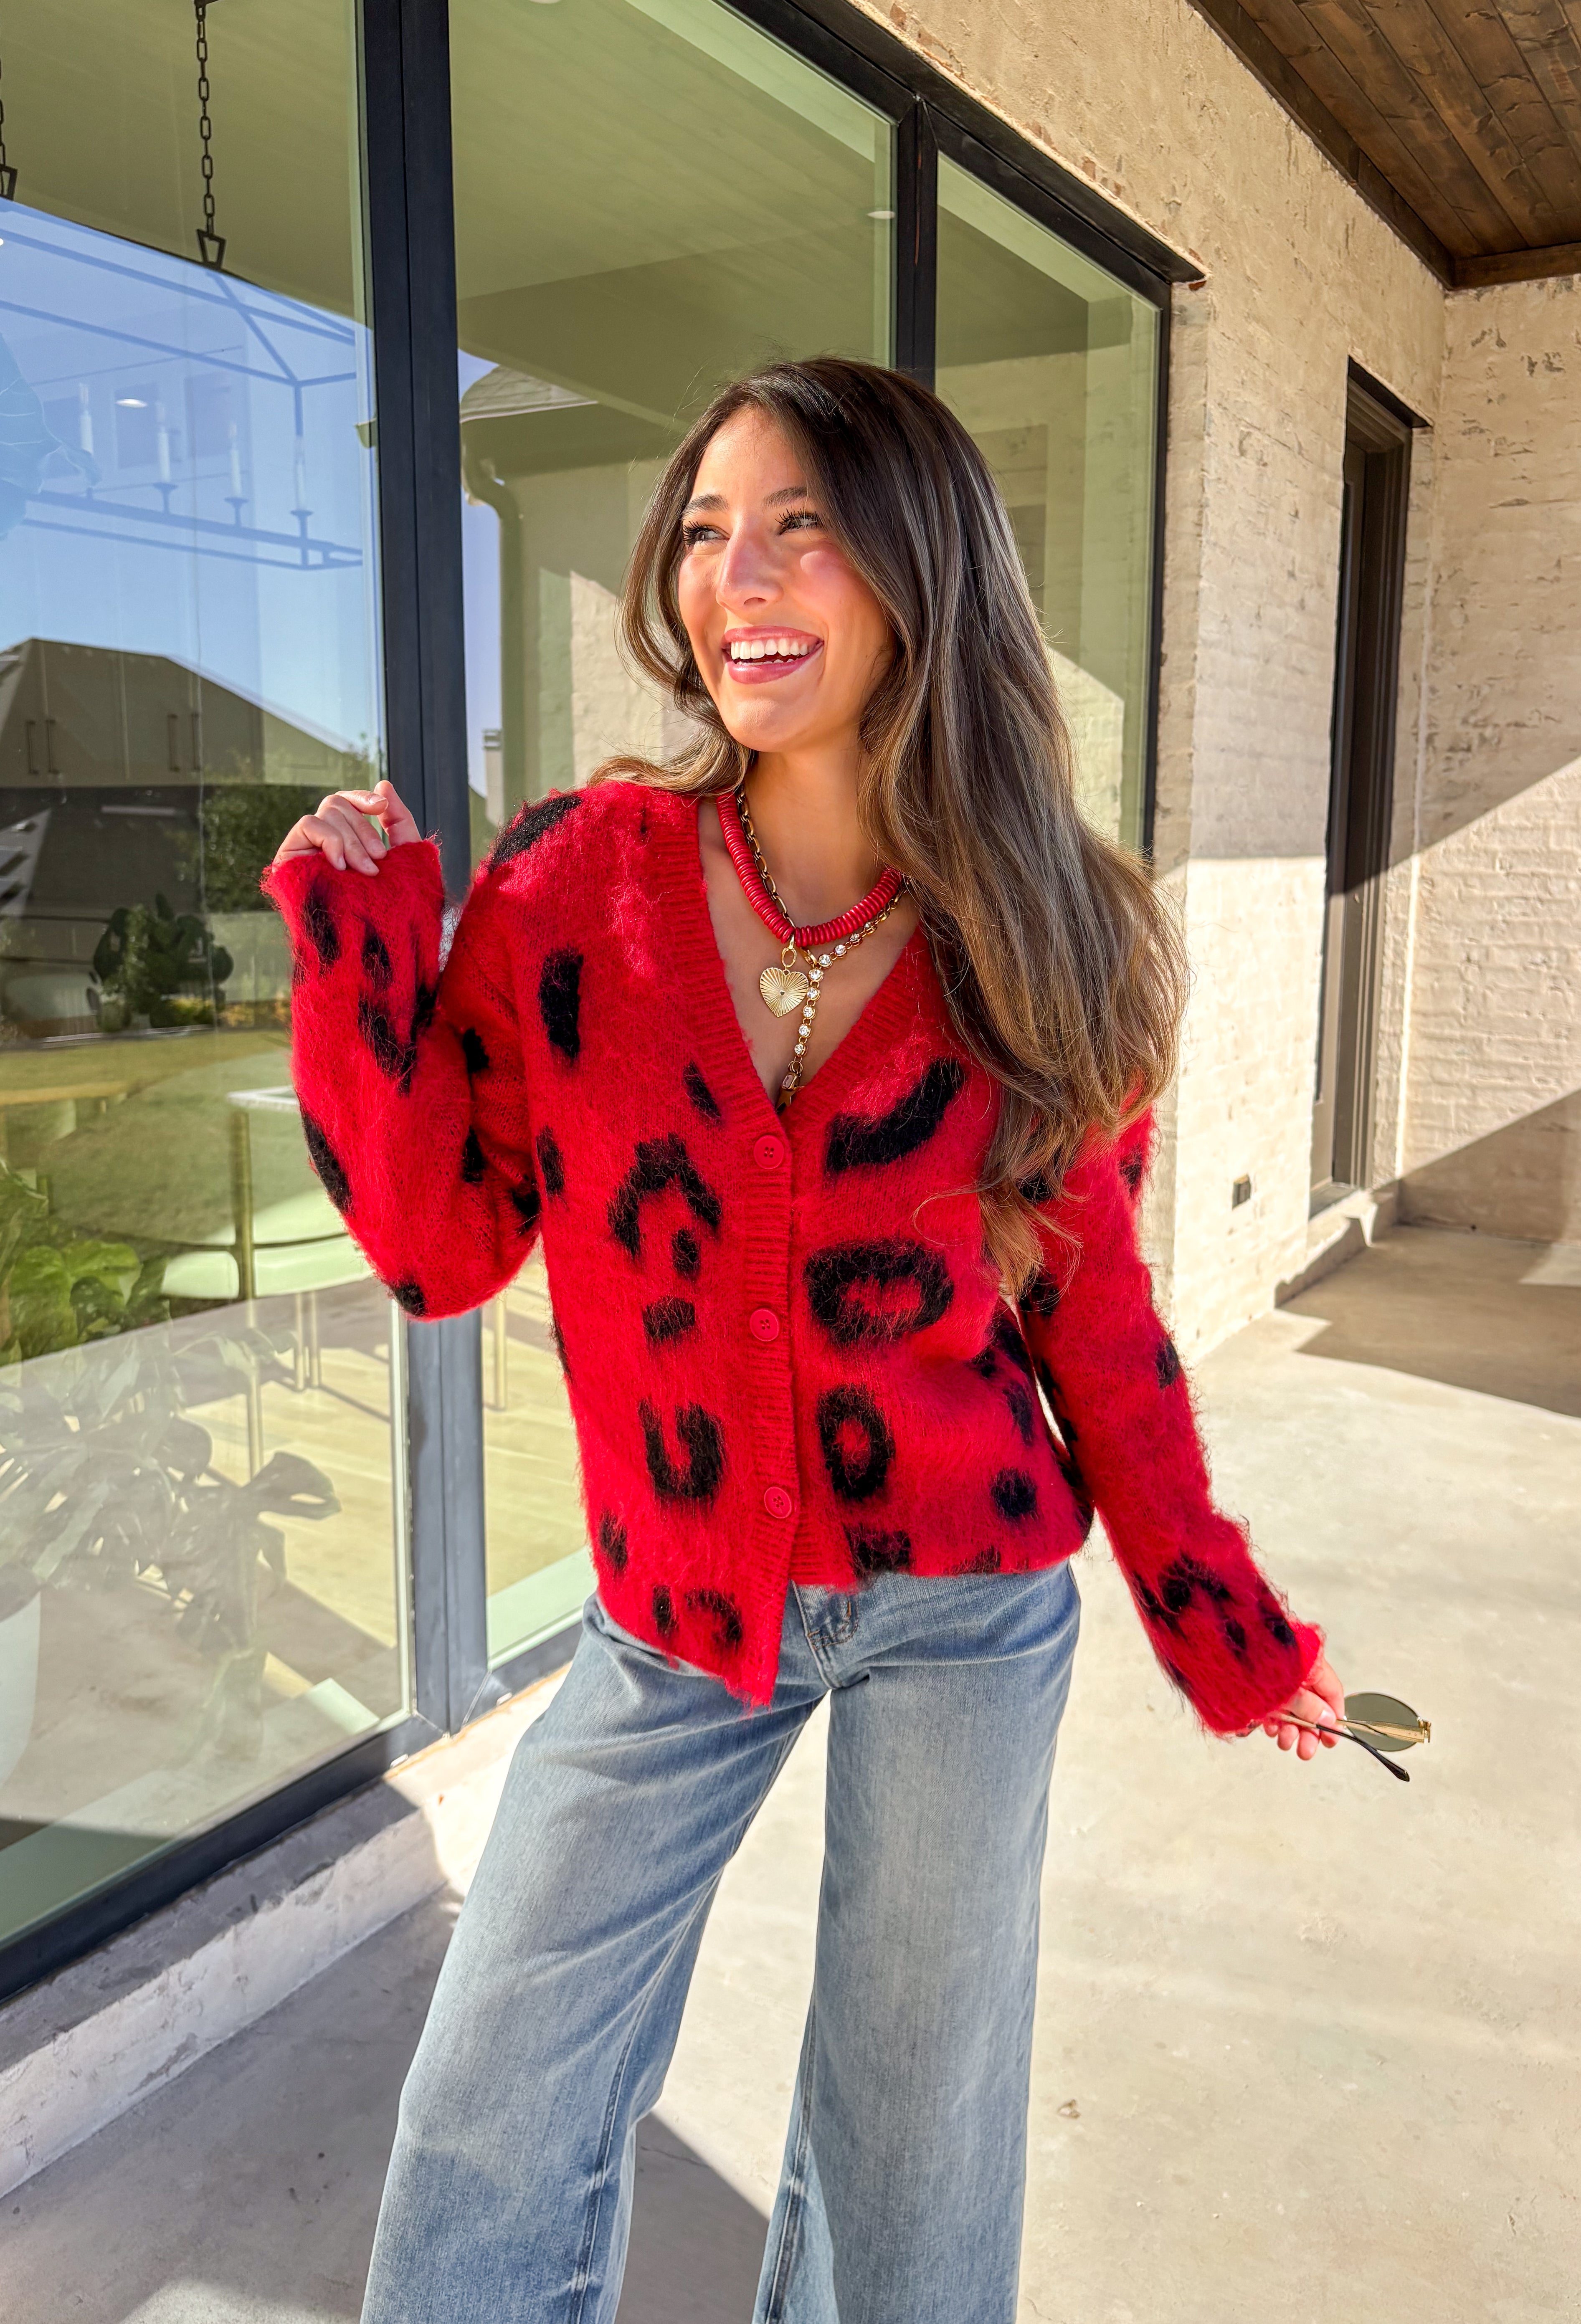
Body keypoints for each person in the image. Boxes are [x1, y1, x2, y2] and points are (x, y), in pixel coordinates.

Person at [268, 357, 1343, 2324]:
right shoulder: (572, 886)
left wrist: (1230, 1631)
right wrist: (356, 950)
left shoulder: (1039, 931)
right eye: (700, 531)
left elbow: (1097, 1333)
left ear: (915, 571)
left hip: (964, 1598)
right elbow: (438, 1247)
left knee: (908, 2154)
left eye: (799, 526)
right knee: (489, 2112)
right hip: (671, 1606)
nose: (732, 577)